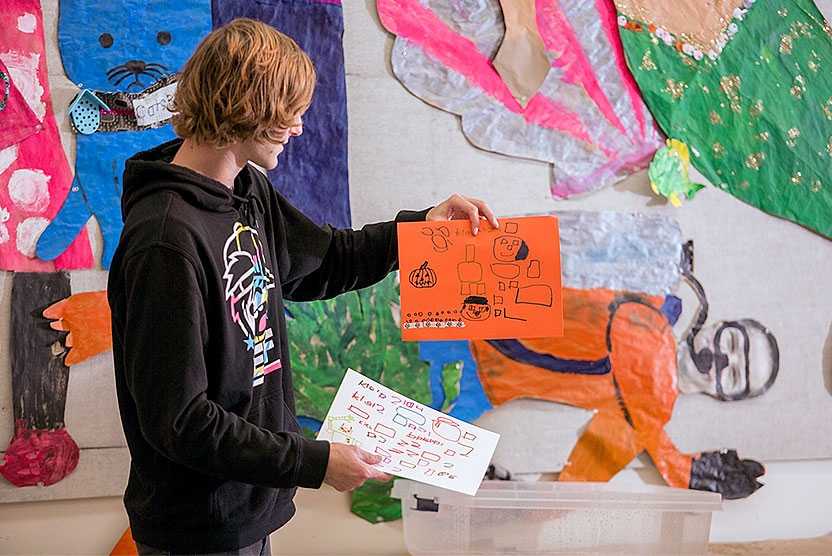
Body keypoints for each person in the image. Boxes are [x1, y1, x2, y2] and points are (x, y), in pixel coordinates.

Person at [107, 18, 498, 555]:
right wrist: (313, 462)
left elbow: (325, 260)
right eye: (290, 112)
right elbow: (180, 421)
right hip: (198, 528)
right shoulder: (165, 240)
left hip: (248, 509)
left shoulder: (247, 191)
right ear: (249, 107)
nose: (297, 128)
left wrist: (419, 230)